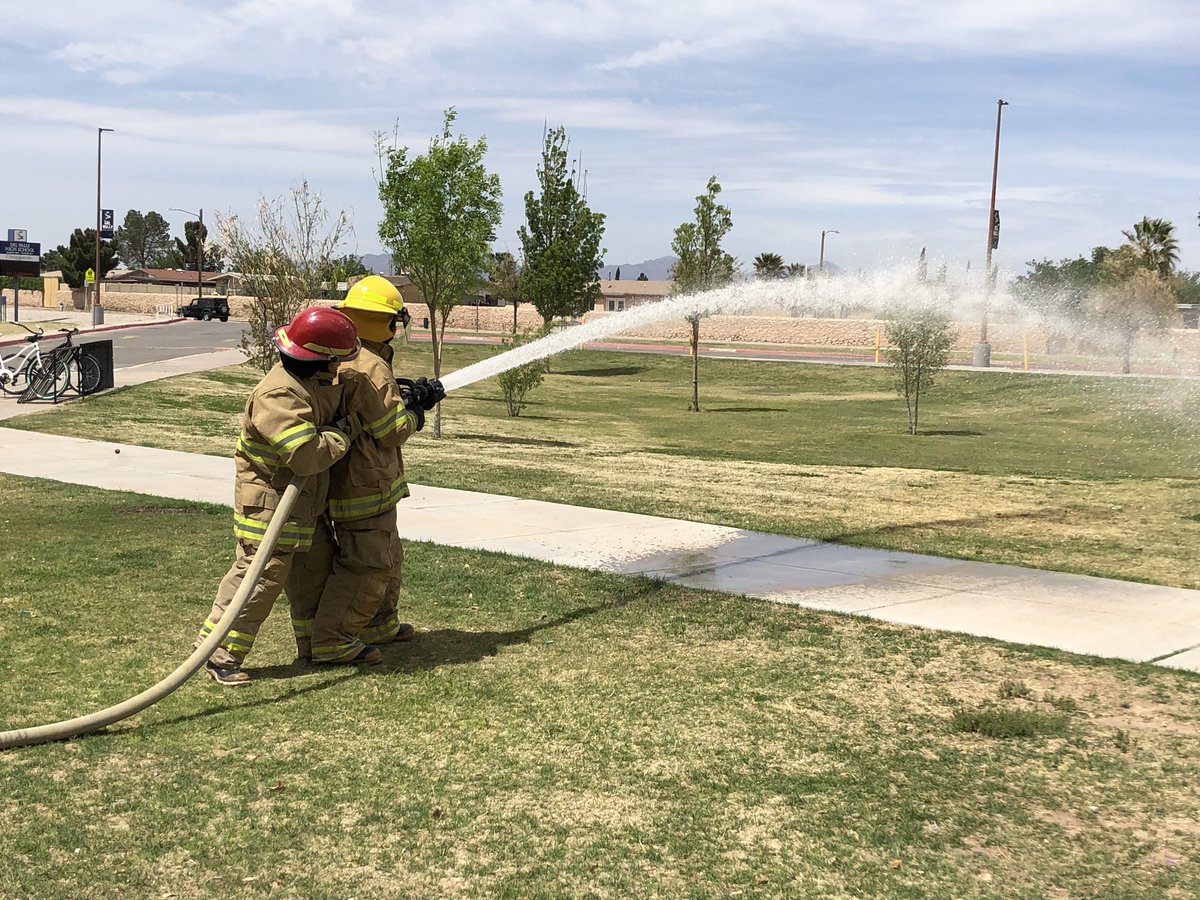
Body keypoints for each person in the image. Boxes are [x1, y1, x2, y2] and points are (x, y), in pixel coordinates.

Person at [196, 307, 361, 686]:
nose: (338, 370)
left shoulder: (307, 385)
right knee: (258, 579)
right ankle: (218, 654)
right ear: (320, 361)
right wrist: (340, 436)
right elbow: (306, 456)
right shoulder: (278, 394)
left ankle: (315, 645)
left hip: (303, 511)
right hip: (269, 510)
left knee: (313, 576)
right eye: (336, 362)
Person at [286, 275, 444, 665]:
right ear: (388, 323)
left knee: (388, 553)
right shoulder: (371, 366)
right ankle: (332, 639)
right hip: (365, 483)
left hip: (352, 479)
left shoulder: (344, 355)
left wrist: (406, 398)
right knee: (368, 561)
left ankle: (378, 624)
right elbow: (391, 431)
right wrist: (417, 412)